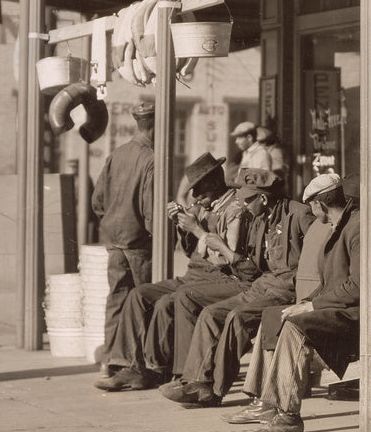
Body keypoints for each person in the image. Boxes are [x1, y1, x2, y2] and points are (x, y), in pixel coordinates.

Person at [233, 173, 371, 432]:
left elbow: (361, 287)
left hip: (360, 313)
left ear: (320, 204)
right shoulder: (343, 225)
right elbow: (332, 284)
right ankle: (264, 402)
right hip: (341, 308)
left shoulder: (359, 227)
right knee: (274, 315)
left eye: (313, 207)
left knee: (295, 326)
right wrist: (305, 302)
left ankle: (288, 414)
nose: (313, 213)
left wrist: (311, 306)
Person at [93, 152, 255, 391]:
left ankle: (175, 371)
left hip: (219, 276)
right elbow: (192, 253)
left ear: (214, 184)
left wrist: (197, 229)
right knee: (139, 295)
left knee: (169, 302)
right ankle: (130, 365)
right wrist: (183, 227)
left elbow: (226, 259)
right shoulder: (205, 207)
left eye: (200, 192)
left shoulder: (234, 208)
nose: (197, 199)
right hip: (195, 274)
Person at [160, 172, 314, 407]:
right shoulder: (260, 218)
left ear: (263, 199)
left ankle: (214, 390)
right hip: (263, 283)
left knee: (237, 318)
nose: (243, 204)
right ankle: (196, 381)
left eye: (248, 200)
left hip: (287, 287)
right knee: (211, 313)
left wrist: (306, 297)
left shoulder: (299, 214)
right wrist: (229, 254)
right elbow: (251, 267)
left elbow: (317, 258)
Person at [91, 102, 156, 364]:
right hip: (139, 242)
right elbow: (150, 209)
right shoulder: (151, 158)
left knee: (117, 299)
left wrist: (112, 222)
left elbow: (98, 201)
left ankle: (111, 361)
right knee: (145, 300)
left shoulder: (117, 154)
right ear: (155, 125)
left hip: (114, 238)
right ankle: (139, 362)